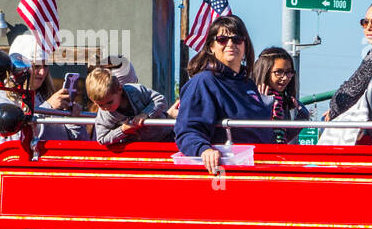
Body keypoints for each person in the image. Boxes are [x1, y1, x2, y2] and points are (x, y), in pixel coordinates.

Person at [175, 14, 273, 173]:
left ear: (245, 45)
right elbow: (188, 130)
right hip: (228, 171)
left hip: (259, 168)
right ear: (211, 47)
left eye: (237, 39)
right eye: (222, 39)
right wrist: (203, 150)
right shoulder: (203, 82)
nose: (230, 44)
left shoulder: (248, 84)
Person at [0, 32, 81, 147]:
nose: (42, 72)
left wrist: (73, 120)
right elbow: (15, 143)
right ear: (18, 68)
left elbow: (76, 145)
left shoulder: (44, 97)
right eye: (36, 66)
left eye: (45, 66)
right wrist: (49, 107)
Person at [86, 67, 177, 145]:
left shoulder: (136, 91)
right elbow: (102, 138)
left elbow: (160, 99)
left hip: (165, 137)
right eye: (100, 105)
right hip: (137, 147)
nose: (106, 108)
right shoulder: (105, 114)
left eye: (109, 102)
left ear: (120, 89)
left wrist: (145, 114)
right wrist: (123, 130)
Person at [251, 47, 309, 143]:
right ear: (265, 72)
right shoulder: (250, 97)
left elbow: (283, 137)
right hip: (258, 154)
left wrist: (302, 117)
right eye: (278, 72)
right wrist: (261, 108)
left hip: (277, 154)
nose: (285, 77)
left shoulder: (281, 101)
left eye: (289, 72)